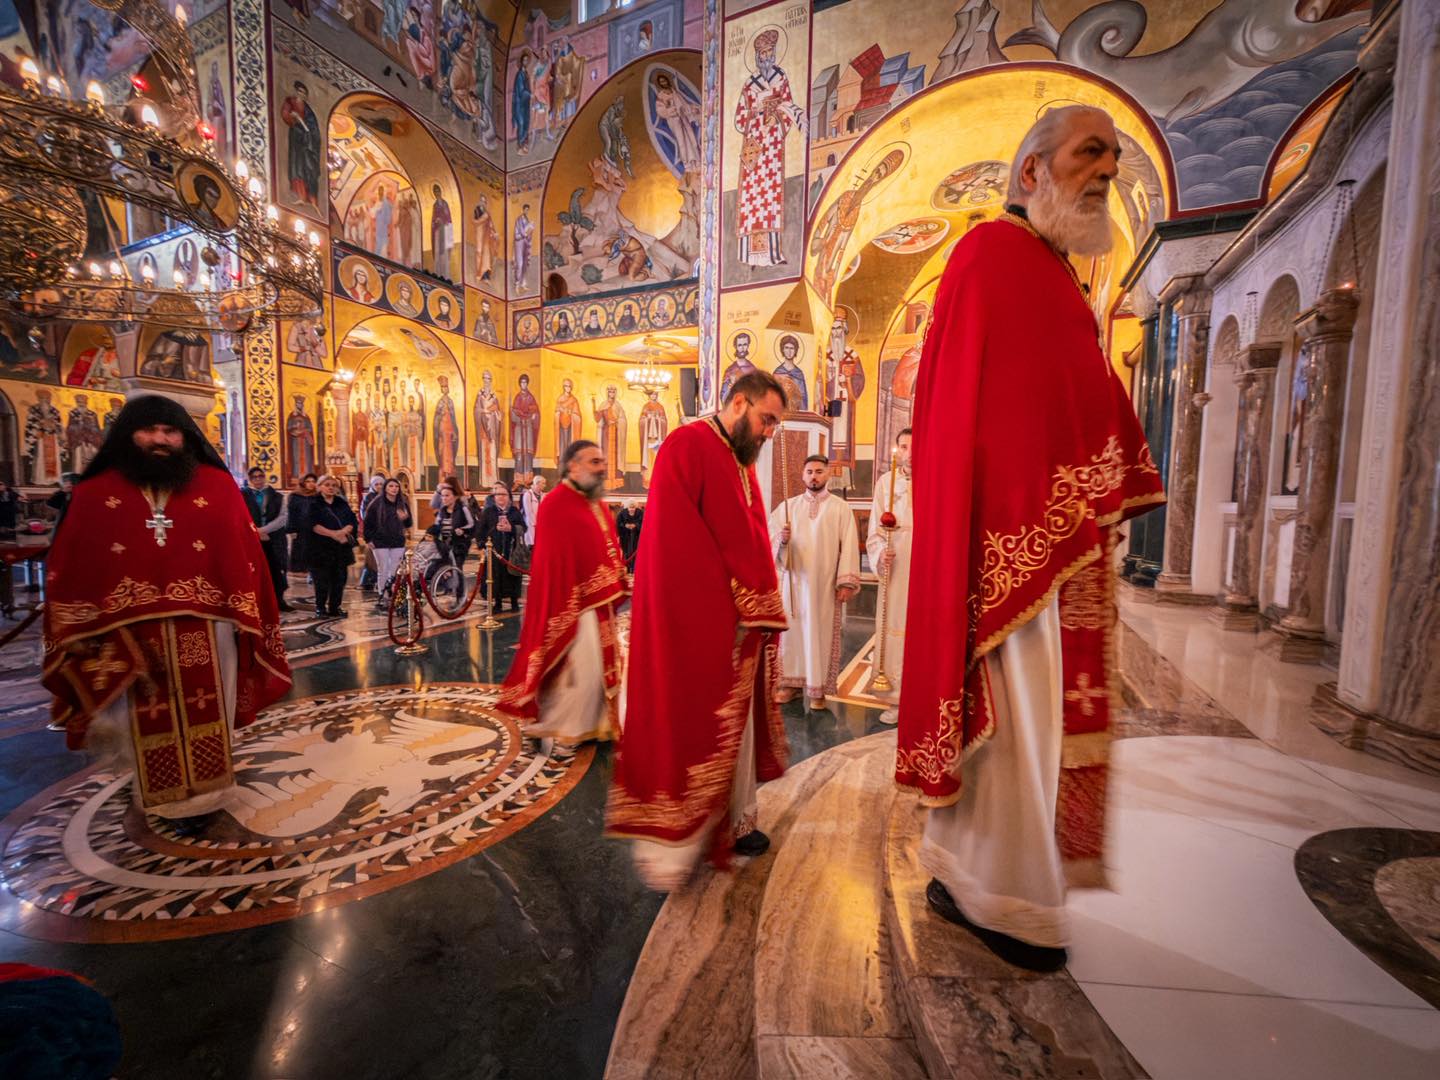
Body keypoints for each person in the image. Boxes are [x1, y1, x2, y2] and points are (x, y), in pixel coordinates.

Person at [897, 106, 1165, 972]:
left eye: (1113, 161)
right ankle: (1011, 902)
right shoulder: (989, 256)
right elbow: (969, 417)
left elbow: (1073, 398)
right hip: (1009, 544)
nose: (1106, 173)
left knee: (1032, 730)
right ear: (1031, 172)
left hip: (1053, 541)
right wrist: (1029, 517)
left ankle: (968, 874)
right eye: (1090, 154)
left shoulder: (1055, 275)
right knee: (1016, 728)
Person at [40, 395, 290, 824]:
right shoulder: (96, 493)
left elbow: (244, 555)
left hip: (208, 626)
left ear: (185, 436)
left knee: (208, 702)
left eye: (170, 431)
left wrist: (246, 609)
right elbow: (73, 565)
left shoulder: (216, 487)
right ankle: (155, 789)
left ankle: (211, 790)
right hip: (129, 632)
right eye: (149, 429)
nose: (159, 439)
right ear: (128, 434)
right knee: (143, 712)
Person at [607, 371, 790, 890]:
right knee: (693, 720)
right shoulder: (686, 445)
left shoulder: (739, 458)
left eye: (775, 424)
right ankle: (683, 835)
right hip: (699, 618)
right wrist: (733, 604)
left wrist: (756, 600)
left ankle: (735, 822)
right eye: (767, 419)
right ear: (739, 403)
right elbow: (677, 543)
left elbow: (751, 535)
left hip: (738, 619)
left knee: (737, 725)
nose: (770, 431)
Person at [496, 441, 629, 744]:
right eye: (594, 462)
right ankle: (566, 725)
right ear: (573, 466)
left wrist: (611, 580)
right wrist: (583, 590)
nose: (602, 468)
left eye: (602, 461)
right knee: (580, 666)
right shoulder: (555, 503)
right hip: (572, 603)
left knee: (600, 666)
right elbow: (554, 562)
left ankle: (598, 723)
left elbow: (607, 548)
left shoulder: (597, 504)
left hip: (600, 603)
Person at [769, 454, 860, 710]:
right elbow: (769, 537)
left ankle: (818, 689)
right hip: (795, 584)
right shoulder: (788, 507)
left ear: (828, 474)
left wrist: (846, 581)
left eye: (819, 471)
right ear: (802, 475)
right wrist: (782, 539)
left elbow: (850, 544)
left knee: (820, 634)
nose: (814, 476)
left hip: (824, 585)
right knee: (793, 635)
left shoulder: (840, 508)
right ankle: (791, 685)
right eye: (809, 472)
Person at [867, 428, 912, 724]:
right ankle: (895, 698)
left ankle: (922, 694)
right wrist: (881, 552)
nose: (910, 453)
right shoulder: (886, 482)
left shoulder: (934, 478)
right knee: (894, 624)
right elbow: (875, 528)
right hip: (896, 567)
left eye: (915, 446)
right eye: (904, 447)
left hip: (923, 563)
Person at [244, 466, 293, 613]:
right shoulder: (242, 495)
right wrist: (255, 532)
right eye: (254, 477)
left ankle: (279, 600)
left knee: (277, 570)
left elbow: (282, 517)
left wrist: (263, 531)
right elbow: (240, 516)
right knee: (254, 571)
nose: (258, 479)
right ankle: (256, 602)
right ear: (249, 479)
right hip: (251, 538)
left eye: (260, 476)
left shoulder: (277, 496)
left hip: (274, 538)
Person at [307, 475, 358, 618]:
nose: (331, 488)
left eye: (334, 485)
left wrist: (343, 532)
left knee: (340, 579)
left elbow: (352, 521)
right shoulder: (313, 503)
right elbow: (312, 524)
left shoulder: (341, 503)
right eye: (327, 485)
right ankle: (320, 608)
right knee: (321, 580)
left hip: (340, 548)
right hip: (320, 548)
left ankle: (335, 607)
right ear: (319, 487)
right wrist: (333, 534)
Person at [477, 482, 525, 612]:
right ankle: (497, 603)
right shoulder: (488, 512)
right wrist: (483, 543)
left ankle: (514, 602)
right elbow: (480, 530)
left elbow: (523, 528)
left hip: (511, 550)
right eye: (497, 494)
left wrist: (511, 528)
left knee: (513, 576)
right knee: (496, 577)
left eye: (504, 494)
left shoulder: (514, 511)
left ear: (509, 496)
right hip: (494, 550)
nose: (500, 497)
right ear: (494, 497)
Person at [363, 478, 411, 605]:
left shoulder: (402, 503)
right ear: (385, 488)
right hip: (380, 541)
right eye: (391, 486)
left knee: (394, 570)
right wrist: (368, 539)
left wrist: (405, 518)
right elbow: (368, 522)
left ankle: (393, 595)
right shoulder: (376, 503)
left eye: (396, 486)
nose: (394, 488)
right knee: (383, 569)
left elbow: (409, 523)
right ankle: (382, 595)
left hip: (397, 540)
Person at [427, 482, 474, 577]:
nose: (444, 498)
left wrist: (463, 530)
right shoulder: (442, 511)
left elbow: (472, 525)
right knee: (443, 568)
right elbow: (437, 525)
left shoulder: (463, 509)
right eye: (442, 496)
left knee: (456, 568)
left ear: (455, 497)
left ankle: (458, 585)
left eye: (447, 495)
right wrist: (430, 533)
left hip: (460, 545)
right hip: (445, 545)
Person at [285, 472, 318, 587]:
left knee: (315, 551)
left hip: (315, 528)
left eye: (313, 481)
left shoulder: (318, 495)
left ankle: (313, 573)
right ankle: (303, 572)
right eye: (308, 481)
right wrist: (291, 529)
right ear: (303, 483)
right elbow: (291, 514)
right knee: (301, 550)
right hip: (300, 528)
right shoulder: (295, 496)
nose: (311, 484)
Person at [357, 473, 386, 591]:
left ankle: (377, 581)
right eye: (376, 484)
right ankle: (366, 581)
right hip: (374, 531)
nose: (379, 486)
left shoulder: (387, 496)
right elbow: (364, 514)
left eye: (381, 484)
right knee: (372, 556)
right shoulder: (368, 497)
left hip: (386, 531)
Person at [616, 500, 643, 570]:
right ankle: (627, 568)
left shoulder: (640, 513)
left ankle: (635, 568)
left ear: (636, 507)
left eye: (633, 507)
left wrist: (636, 525)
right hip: (626, 536)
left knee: (636, 551)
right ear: (627, 507)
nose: (632, 509)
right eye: (630, 507)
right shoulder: (622, 513)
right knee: (626, 552)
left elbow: (643, 523)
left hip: (637, 536)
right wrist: (625, 525)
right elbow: (618, 523)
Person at [522, 474, 545, 546]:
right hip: (531, 524)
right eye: (543, 483)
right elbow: (528, 512)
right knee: (532, 544)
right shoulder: (528, 494)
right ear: (537, 483)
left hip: (541, 524)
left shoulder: (543, 495)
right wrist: (535, 523)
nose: (545, 485)